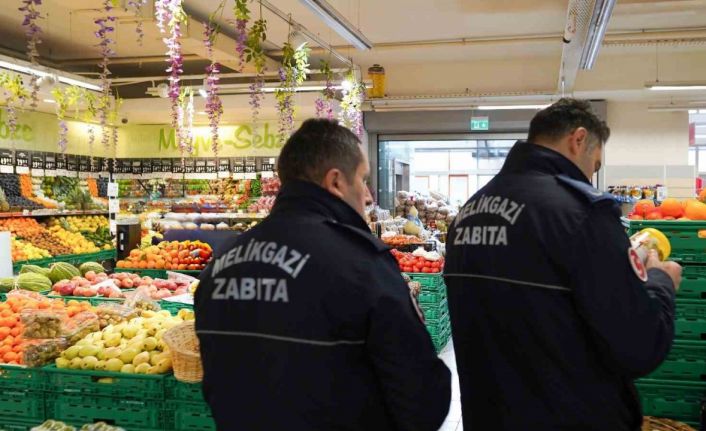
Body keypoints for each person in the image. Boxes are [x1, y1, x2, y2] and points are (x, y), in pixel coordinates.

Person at [195, 118, 451, 431]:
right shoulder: (360, 263)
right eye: (363, 179)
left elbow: (214, 381)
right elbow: (422, 398)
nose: (369, 196)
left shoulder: (223, 261)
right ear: (336, 182)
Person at [444, 98, 681, 430]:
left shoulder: (469, 212)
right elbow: (640, 346)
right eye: (595, 165)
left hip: (488, 415)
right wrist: (661, 280)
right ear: (578, 140)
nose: (591, 175)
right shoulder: (582, 214)